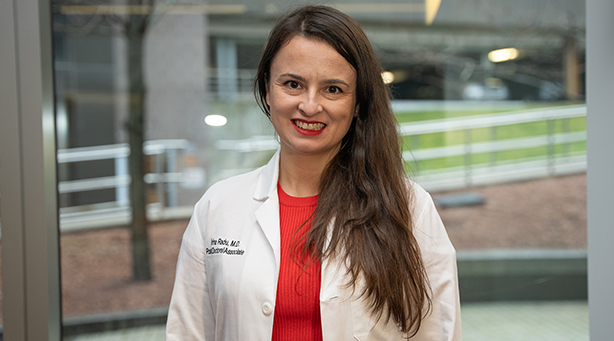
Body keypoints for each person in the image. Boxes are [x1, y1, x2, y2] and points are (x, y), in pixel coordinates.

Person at [166, 5, 461, 340]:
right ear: (267, 88)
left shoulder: (410, 209)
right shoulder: (217, 207)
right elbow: (188, 333)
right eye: (293, 84)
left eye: (333, 89)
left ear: (358, 102)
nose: (309, 105)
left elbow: (440, 333)